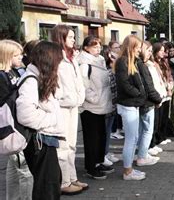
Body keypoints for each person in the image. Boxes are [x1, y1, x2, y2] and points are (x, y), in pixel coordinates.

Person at [16, 41, 65, 200]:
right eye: (58, 61)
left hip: (45, 139)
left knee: (52, 183)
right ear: (49, 60)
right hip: (39, 140)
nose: (59, 65)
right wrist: (53, 119)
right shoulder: (31, 80)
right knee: (47, 188)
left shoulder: (39, 77)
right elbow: (25, 114)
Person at [51, 25, 87, 194]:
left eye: (74, 37)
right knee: (63, 146)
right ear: (61, 38)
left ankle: (72, 177)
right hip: (63, 108)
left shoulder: (72, 58)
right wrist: (64, 98)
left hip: (73, 106)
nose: (74, 40)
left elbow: (77, 81)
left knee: (72, 145)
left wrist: (79, 98)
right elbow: (56, 84)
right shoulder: (56, 59)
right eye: (71, 37)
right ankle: (64, 182)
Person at [76, 36, 114, 180]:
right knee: (91, 138)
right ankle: (91, 167)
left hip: (102, 105)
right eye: (94, 46)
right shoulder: (84, 63)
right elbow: (83, 86)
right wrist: (94, 98)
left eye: (99, 46)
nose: (98, 49)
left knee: (101, 136)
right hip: (90, 107)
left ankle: (99, 162)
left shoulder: (100, 61)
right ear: (86, 48)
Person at [0, 40, 34, 200]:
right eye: (16, 55)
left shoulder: (14, 72)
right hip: (12, 128)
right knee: (25, 170)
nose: (21, 57)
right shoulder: (2, 77)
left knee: (14, 168)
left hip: (15, 127)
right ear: (6, 57)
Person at [115, 35, 147, 180]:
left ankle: (129, 168)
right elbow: (125, 84)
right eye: (138, 47)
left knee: (133, 138)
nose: (140, 50)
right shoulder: (123, 62)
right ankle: (127, 171)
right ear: (131, 47)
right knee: (130, 139)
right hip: (128, 104)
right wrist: (138, 94)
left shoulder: (131, 61)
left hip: (132, 104)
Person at [136, 40, 161, 164]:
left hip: (145, 101)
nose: (150, 53)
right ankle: (142, 156)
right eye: (148, 50)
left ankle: (142, 153)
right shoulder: (141, 65)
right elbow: (148, 85)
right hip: (147, 102)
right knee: (147, 130)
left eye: (151, 51)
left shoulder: (139, 63)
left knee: (142, 130)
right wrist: (157, 99)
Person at [100, 45, 122, 165]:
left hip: (113, 104)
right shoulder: (104, 71)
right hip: (105, 105)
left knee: (108, 131)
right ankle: (102, 154)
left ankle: (106, 152)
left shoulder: (111, 68)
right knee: (104, 131)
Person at [150, 42, 173, 149]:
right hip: (160, 92)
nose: (164, 53)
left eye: (164, 51)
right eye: (161, 51)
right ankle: (156, 138)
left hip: (167, 91)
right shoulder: (153, 63)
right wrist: (165, 85)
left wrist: (170, 84)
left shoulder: (164, 62)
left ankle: (162, 136)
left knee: (164, 116)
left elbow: (169, 74)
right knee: (157, 119)